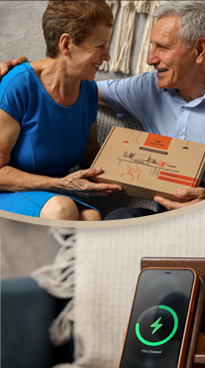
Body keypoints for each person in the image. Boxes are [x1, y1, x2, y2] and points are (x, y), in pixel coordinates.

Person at [2, 1, 205, 217]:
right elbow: (58, 89)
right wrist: (18, 73)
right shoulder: (144, 87)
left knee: (91, 217)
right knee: (114, 217)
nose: (150, 59)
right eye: (151, 46)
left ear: (200, 50)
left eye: (162, 47)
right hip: (162, 214)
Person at [0, 0, 121, 220]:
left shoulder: (89, 89)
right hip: (11, 191)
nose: (107, 56)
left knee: (92, 217)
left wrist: (137, 170)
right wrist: (61, 184)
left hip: (59, 192)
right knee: (62, 209)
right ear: (66, 45)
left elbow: (89, 154)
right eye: (100, 45)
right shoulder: (17, 85)